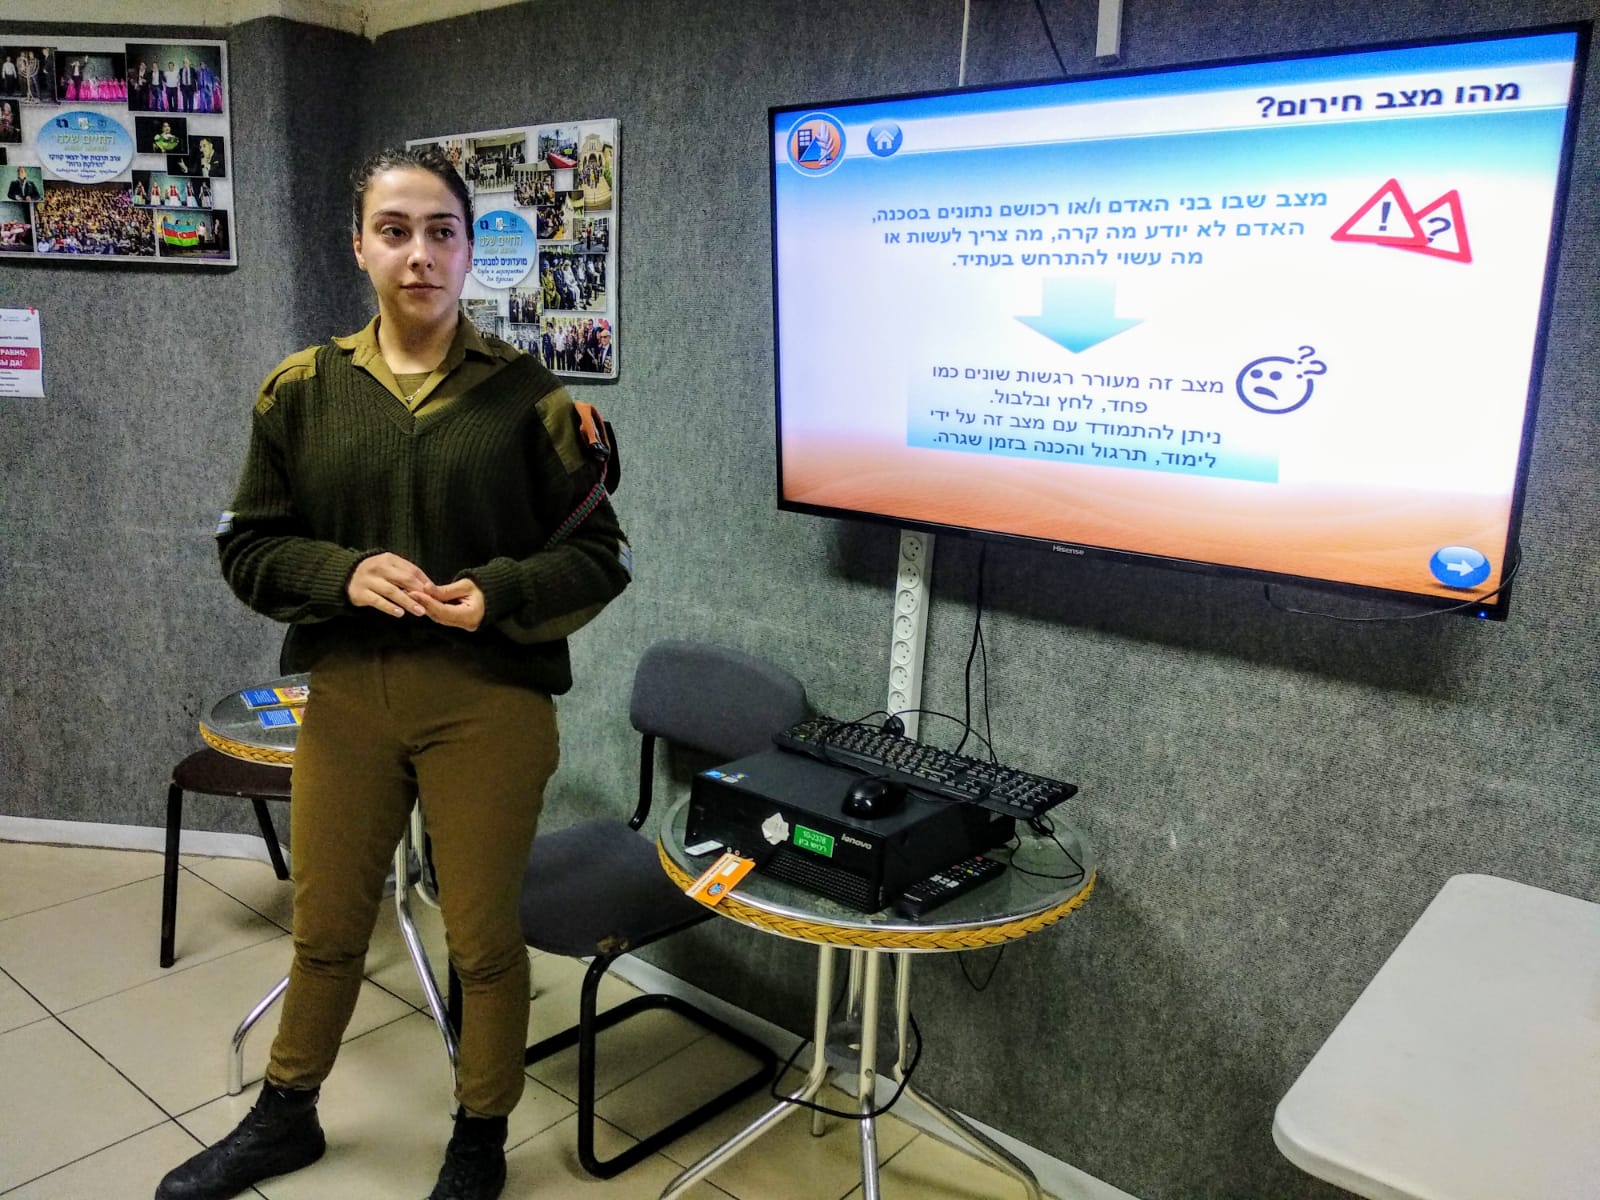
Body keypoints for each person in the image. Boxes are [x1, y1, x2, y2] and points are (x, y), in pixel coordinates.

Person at [153, 145, 630, 1200]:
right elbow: (248, 548)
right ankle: (286, 1114)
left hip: (488, 702)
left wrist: (498, 591)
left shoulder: (533, 399)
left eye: (441, 232)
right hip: (350, 695)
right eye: (395, 231)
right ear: (359, 247)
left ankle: (479, 1136)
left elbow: (603, 556)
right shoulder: (300, 391)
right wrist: (342, 573)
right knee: (327, 926)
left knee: (483, 940)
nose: (420, 253)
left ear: (469, 250)